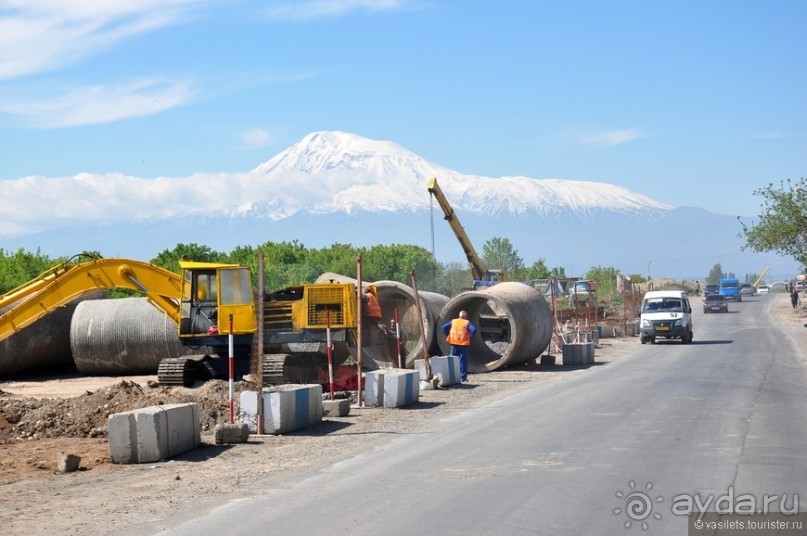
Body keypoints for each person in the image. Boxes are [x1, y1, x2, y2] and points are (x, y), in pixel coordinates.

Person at [442, 310, 477, 383]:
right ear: (465, 316)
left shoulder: (453, 321)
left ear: (459, 315)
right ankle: (463, 378)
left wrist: (448, 334)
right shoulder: (467, 323)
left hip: (454, 343)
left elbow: (444, 327)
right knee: (463, 361)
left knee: (452, 361)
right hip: (463, 344)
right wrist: (469, 336)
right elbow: (473, 330)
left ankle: (452, 377)